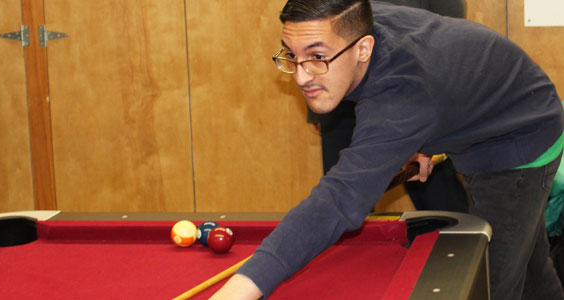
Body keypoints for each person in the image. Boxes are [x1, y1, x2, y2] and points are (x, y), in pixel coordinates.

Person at [211, 1, 564, 299]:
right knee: (529, 264)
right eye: (292, 55)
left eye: (317, 57)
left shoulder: (401, 95)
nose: (302, 76)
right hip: (485, 112)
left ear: (363, 48)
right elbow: (438, 79)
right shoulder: (353, 22)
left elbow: (337, 200)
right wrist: (417, 137)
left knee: (489, 283)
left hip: (521, 138)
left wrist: (240, 289)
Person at [310, 0, 469, 213]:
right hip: (341, 96)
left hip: (411, 91)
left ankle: (454, 245)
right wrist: (316, 107)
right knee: (345, 197)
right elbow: (310, 24)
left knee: (433, 189)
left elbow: (450, 34)